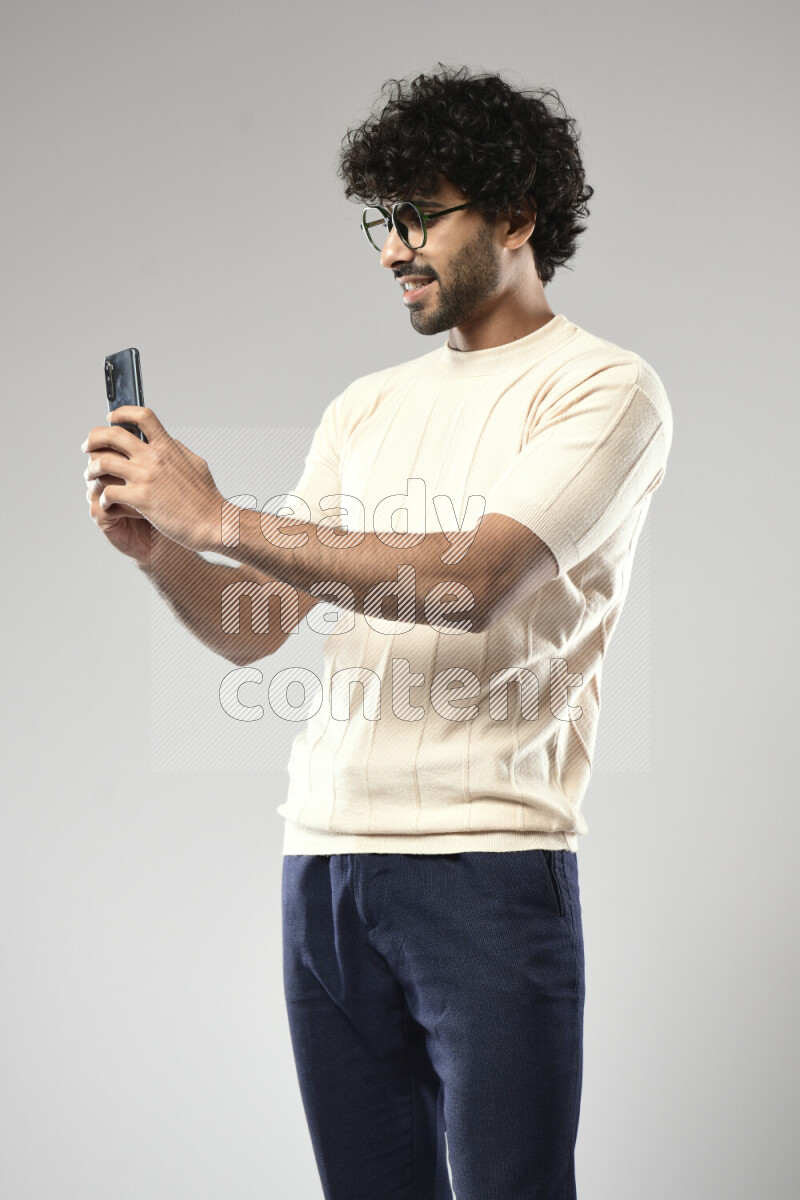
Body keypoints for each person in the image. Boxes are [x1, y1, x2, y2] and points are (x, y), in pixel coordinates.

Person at [83, 64, 673, 1200]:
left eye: (421, 216)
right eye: (382, 220)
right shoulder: (365, 406)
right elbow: (258, 626)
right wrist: (166, 550)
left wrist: (221, 517)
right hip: (326, 870)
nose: (394, 247)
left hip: (487, 873)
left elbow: (477, 581)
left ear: (515, 215)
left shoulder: (602, 390)